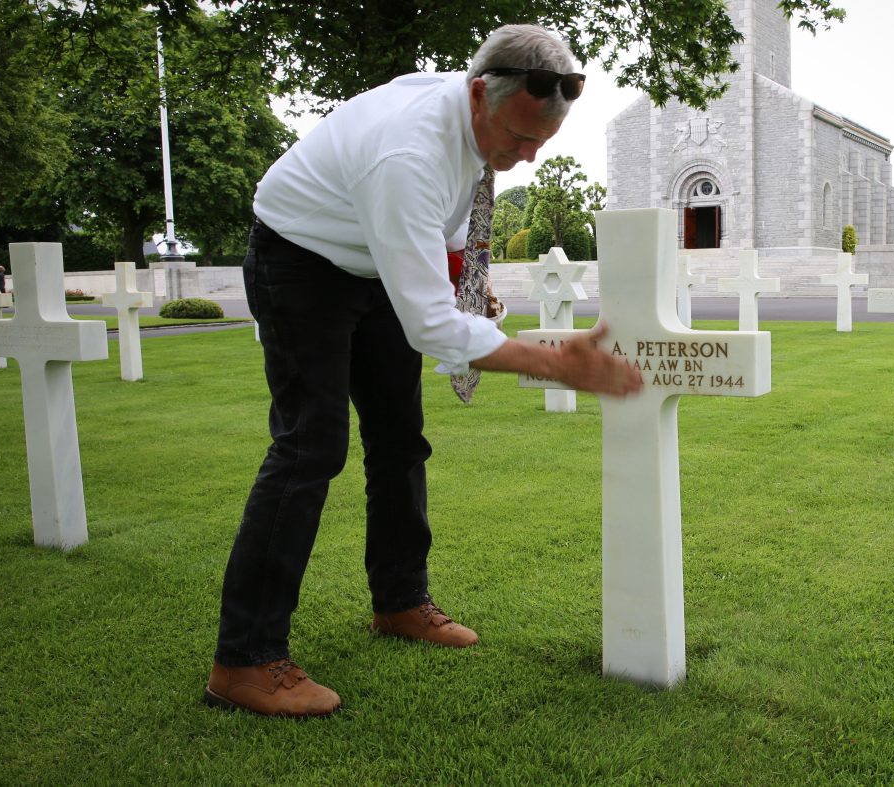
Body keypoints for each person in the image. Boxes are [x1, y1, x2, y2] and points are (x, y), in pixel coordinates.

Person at [204, 24, 642, 718]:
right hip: (299, 256)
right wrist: (557, 363)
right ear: (478, 94)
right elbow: (430, 326)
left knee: (400, 436)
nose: (525, 161)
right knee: (311, 445)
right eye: (518, 139)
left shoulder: (473, 123)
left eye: (541, 145)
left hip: (368, 260)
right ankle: (245, 658)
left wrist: (467, 287)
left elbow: (440, 242)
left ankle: (401, 600)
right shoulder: (407, 153)